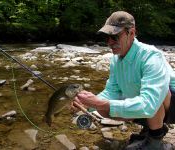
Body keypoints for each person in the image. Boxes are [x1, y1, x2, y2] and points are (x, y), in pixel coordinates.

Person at [72, 11, 175, 150]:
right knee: (102, 109)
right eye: (107, 37)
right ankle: (150, 130)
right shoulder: (116, 59)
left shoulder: (151, 56)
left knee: (154, 96)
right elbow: (111, 91)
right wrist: (89, 103)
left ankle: (155, 139)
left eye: (114, 37)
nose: (109, 42)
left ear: (131, 33)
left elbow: (149, 104)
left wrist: (102, 103)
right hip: (152, 107)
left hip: (169, 105)